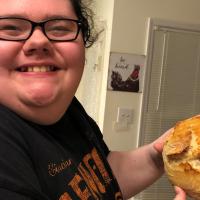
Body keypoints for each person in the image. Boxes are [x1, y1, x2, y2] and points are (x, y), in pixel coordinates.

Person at [0, 0, 186, 199]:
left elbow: (104, 177)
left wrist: (159, 156)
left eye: (60, 28)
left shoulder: (67, 108)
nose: (39, 41)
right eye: (11, 28)